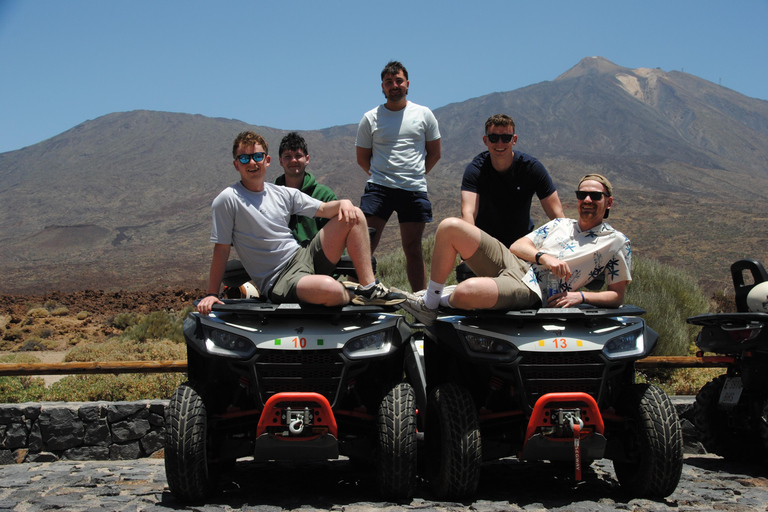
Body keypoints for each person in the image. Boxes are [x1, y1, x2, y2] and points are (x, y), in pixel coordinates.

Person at [197, 131, 405, 315]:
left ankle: (369, 288)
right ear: (236, 164)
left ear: (267, 160)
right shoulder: (228, 199)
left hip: (303, 256)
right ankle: (352, 293)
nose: (252, 162)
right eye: (244, 158)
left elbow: (324, 209)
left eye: (257, 156)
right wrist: (212, 294)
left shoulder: (281, 193)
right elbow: (222, 250)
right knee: (330, 289)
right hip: (278, 279)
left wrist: (345, 203)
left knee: (354, 214)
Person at [401, 174, 631, 326]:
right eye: (582, 195)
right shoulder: (560, 224)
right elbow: (518, 246)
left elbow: (617, 296)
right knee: (450, 226)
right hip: (514, 262)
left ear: (608, 202)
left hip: (533, 289)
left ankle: (439, 298)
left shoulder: (615, 243)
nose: (587, 200)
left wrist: (580, 296)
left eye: (595, 196)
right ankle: (429, 304)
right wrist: (544, 257)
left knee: (466, 291)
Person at [356, 60, 441, 292]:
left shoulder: (424, 115)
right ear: (382, 87)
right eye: (388, 82)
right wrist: (380, 175)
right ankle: (362, 295)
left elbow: (434, 153)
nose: (394, 85)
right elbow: (362, 157)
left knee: (413, 248)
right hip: (379, 188)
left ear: (407, 84)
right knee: (365, 245)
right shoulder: (370, 118)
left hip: (413, 189)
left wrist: (416, 174)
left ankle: (422, 302)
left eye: (398, 81)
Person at [461, 114, 564, 248]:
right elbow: (468, 213)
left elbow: (557, 215)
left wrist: (567, 247)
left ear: (514, 140)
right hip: (486, 247)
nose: (499, 143)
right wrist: (469, 249)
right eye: (493, 138)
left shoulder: (531, 168)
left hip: (522, 246)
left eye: (505, 138)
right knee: (450, 227)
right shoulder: (475, 170)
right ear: (485, 140)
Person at [274, 132, 337, 244]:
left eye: (298, 156)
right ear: (280, 161)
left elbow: (335, 238)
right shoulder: (271, 195)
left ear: (307, 159)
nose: (293, 160)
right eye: (288, 157)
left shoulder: (324, 195)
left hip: (315, 257)